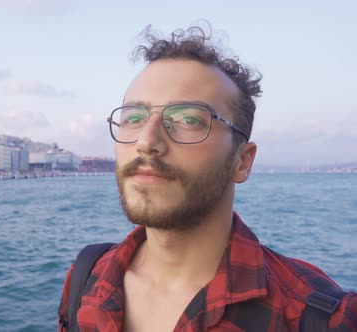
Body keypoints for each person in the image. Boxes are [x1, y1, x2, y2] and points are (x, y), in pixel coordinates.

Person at [58, 25, 356, 332]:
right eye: (133, 118)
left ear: (242, 161)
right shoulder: (86, 276)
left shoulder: (320, 317)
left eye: (189, 119)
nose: (146, 141)